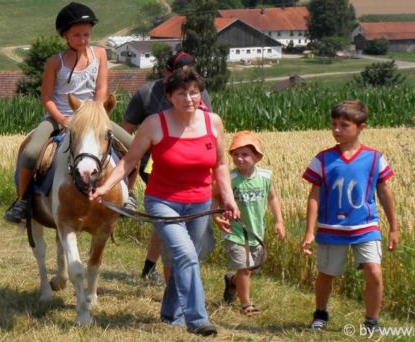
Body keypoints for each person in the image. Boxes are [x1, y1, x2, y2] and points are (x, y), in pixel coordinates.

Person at [90, 67, 239, 337]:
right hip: (163, 202)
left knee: (186, 259)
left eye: (194, 92)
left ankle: (171, 315)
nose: (189, 98)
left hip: (200, 202)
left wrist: (227, 197)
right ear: (170, 96)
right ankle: (197, 319)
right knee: (186, 256)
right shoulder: (154, 124)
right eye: (181, 93)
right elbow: (129, 161)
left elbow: (219, 164)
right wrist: (105, 187)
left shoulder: (213, 123)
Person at [4, 2, 134, 223]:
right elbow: (46, 98)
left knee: (133, 148)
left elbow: (101, 90)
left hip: (93, 117)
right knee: (31, 153)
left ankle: (129, 196)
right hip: (60, 117)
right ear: (65, 36)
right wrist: (63, 119)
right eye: (77, 36)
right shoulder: (55, 62)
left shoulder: (100, 54)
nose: (83, 40)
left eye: (86, 34)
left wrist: (94, 116)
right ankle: (22, 200)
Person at [299, 100, 399, 332]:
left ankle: (372, 321)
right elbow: (314, 196)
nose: (336, 130)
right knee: (326, 274)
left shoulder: (374, 158)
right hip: (330, 228)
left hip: (366, 227)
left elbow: (384, 192)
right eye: (333, 124)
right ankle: (320, 314)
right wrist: (309, 232)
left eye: (344, 125)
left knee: (375, 272)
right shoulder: (322, 159)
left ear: (361, 127)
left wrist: (394, 227)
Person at [121, 51, 213, 286]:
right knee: (170, 213)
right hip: (154, 162)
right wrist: (125, 168)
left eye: (188, 76)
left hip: (189, 163)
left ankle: (155, 268)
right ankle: (173, 272)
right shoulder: (147, 93)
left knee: (170, 219)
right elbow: (125, 130)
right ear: (165, 73)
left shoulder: (200, 95)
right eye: (177, 75)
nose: (185, 85)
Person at [213, 131, 285, 316]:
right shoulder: (229, 179)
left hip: (256, 231)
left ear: (257, 157)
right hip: (235, 231)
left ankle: (233, 282)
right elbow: (213, 196)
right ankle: (246, 304)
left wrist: (279, 221)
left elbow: (273, 198)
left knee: (252, 267)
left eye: (245, 154)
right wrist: (216, 216)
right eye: (235, 154)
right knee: (244, 267)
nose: (239, 158)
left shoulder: (265, 177)